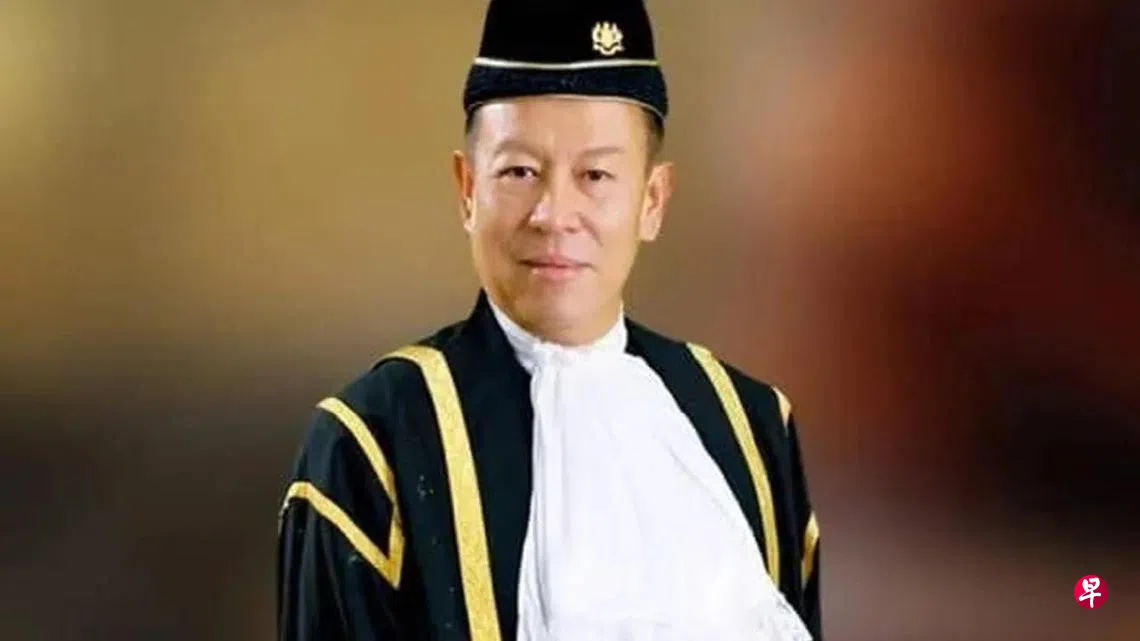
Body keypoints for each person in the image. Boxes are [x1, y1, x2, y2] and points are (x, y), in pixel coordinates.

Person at [276, 1, 822, 639]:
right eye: (520, 172)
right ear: (467, 189)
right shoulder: (376, 440)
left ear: (652, 200)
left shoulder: (751, 429)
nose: (554, 214)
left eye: (596, 174)